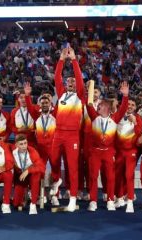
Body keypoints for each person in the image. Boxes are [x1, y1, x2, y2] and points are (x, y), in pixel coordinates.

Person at [49, 47, 85, 212]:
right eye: (68, 80)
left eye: (73, 81)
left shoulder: (81, 96)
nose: (71, 82)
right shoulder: (61, 94)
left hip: (72, 136)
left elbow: (79, 77)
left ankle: (72, 198)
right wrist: (62, 59)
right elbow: (57, 77)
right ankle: (56, 180)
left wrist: (74, 60)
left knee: (72, 166)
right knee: (54, 160)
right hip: (58, 134)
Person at [86, 82, 129, 211]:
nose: (99, 107)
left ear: (108, 109)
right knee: (93, 177)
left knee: (110, 177)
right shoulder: (94, 117)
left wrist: (125, 95)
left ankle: (110, 200)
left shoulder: (115, 119)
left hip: (109, 152)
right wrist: (89, 90)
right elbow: (88, 105)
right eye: (99, 106)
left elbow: (122, 109)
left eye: (102, 106)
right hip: (95, 152)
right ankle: (93, 201)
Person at [114, 96, 142, 213]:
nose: (130, 106)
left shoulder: (138, 119)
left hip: (131, 151)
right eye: (128, 104)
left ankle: (130, 200)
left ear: (135, 108)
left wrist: (135, 122)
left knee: (129, 175)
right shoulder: (118, 116)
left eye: (132, 105)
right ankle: (120, 198)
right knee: (118, 175)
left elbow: (139, 133)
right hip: (118, 151)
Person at [11, 134, 45, 215]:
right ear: (16, 145)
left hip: (31, 175)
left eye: (25, 143)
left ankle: (33, 204)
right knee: (16, 204)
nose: (24, 146)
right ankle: (22, 198)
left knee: (36, 174)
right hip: (20, 176)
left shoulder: (32, 151)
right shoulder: (12, 152)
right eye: (21, 144)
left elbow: (42, 167)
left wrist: (28, 171)